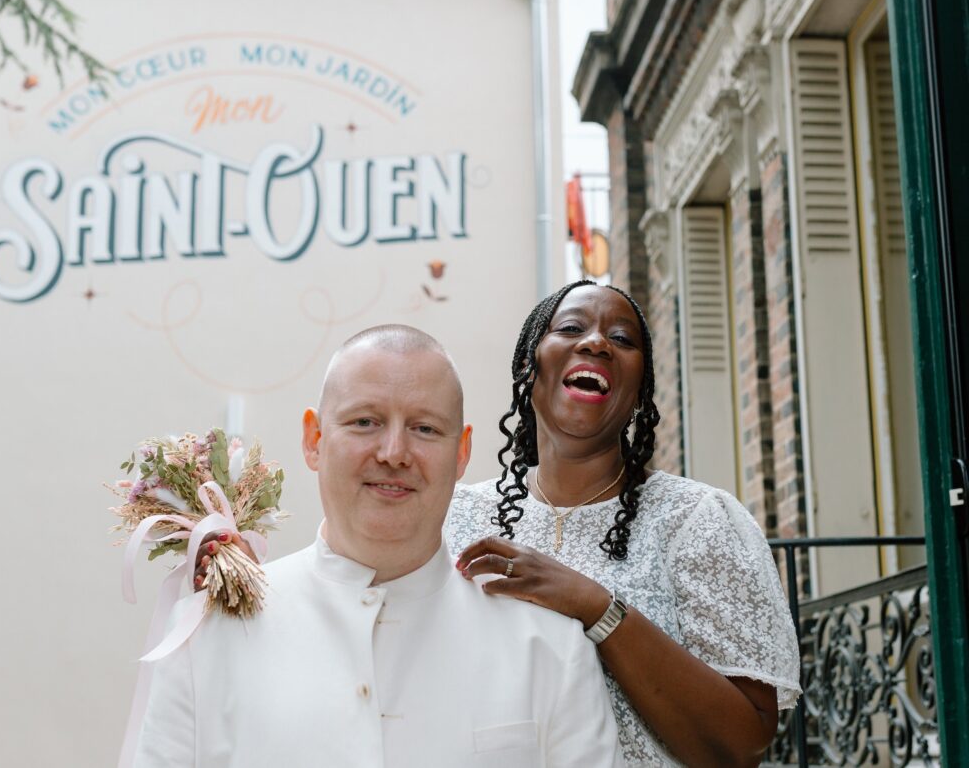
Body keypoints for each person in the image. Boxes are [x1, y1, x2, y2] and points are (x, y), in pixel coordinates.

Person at [139, 324, 624, 767]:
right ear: (314, 438)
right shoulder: (207, 636)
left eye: (425, 428)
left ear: (461, 453)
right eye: (365, 422)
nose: (394, 454)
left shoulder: (549, 648)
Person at [445, 281, 801, 767]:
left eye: (622, 339)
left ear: (639, 393)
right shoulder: (455, 516)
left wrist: (597, 608)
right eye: (570, 328)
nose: (595, 343)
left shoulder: (697, 520)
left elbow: (740, 748)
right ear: (529, 367)